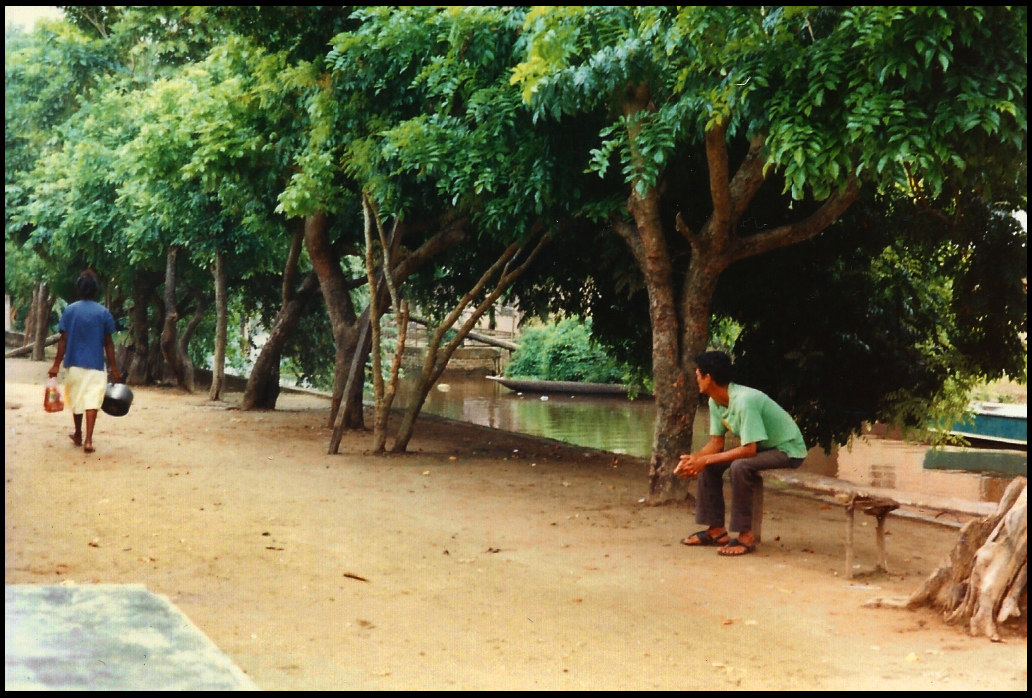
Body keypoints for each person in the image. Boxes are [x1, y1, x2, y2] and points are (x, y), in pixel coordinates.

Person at [674, 351, 807, 556]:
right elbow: (716, 443)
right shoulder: (715, 401)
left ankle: (746, 535)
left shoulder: (745, 400)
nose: (696, 377)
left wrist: (705, 459)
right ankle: (716, 531)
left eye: (698, 373)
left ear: (708, 378)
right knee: (709, 465)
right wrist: (695, 459)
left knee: (740, 466)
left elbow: (749, 450)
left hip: (788, 449)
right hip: (764, 448)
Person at [48, 270, 123, 454]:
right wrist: (114, 369)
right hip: (96, 365)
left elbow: (63, 341)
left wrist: (56, 365)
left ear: (78, 290)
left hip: (74, 364)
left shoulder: (70, 311)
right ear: (95, 291)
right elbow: (109, 344)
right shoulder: (103, 312)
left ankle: (78, 434)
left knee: (76, 399)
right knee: (92, 401)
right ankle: (89, 440)